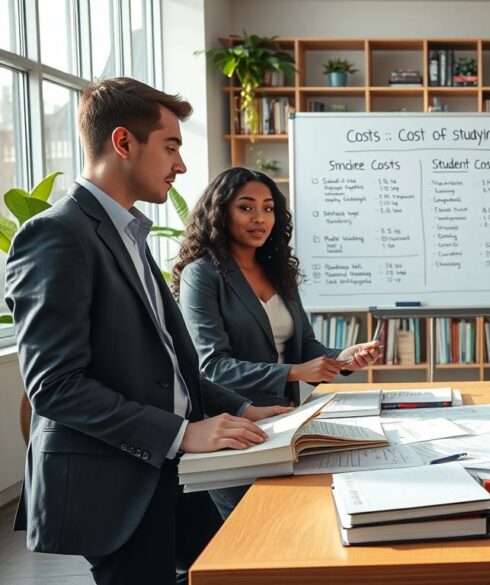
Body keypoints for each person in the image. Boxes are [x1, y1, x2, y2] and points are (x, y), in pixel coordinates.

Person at [4, 77, 290, 585]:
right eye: (172, 146)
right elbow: (54, 387)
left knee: (240, 565)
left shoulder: (130, 234)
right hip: (112, 482)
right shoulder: (56, 234)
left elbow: (167, 368)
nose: (181, 165)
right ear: (123, 143)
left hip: (166, 469)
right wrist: (183, 433)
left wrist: (242, 406)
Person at [172, 166, 380, 517]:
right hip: (231, 431)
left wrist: (343, 358)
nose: (260, 218)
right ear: (220, 212)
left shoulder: (278, 271)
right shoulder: (201, 274)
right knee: (251, 535)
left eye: (268, 208)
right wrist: (294, 372)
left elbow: (305, 347)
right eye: (246, 207)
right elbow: (212, 367)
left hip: (285, 425)